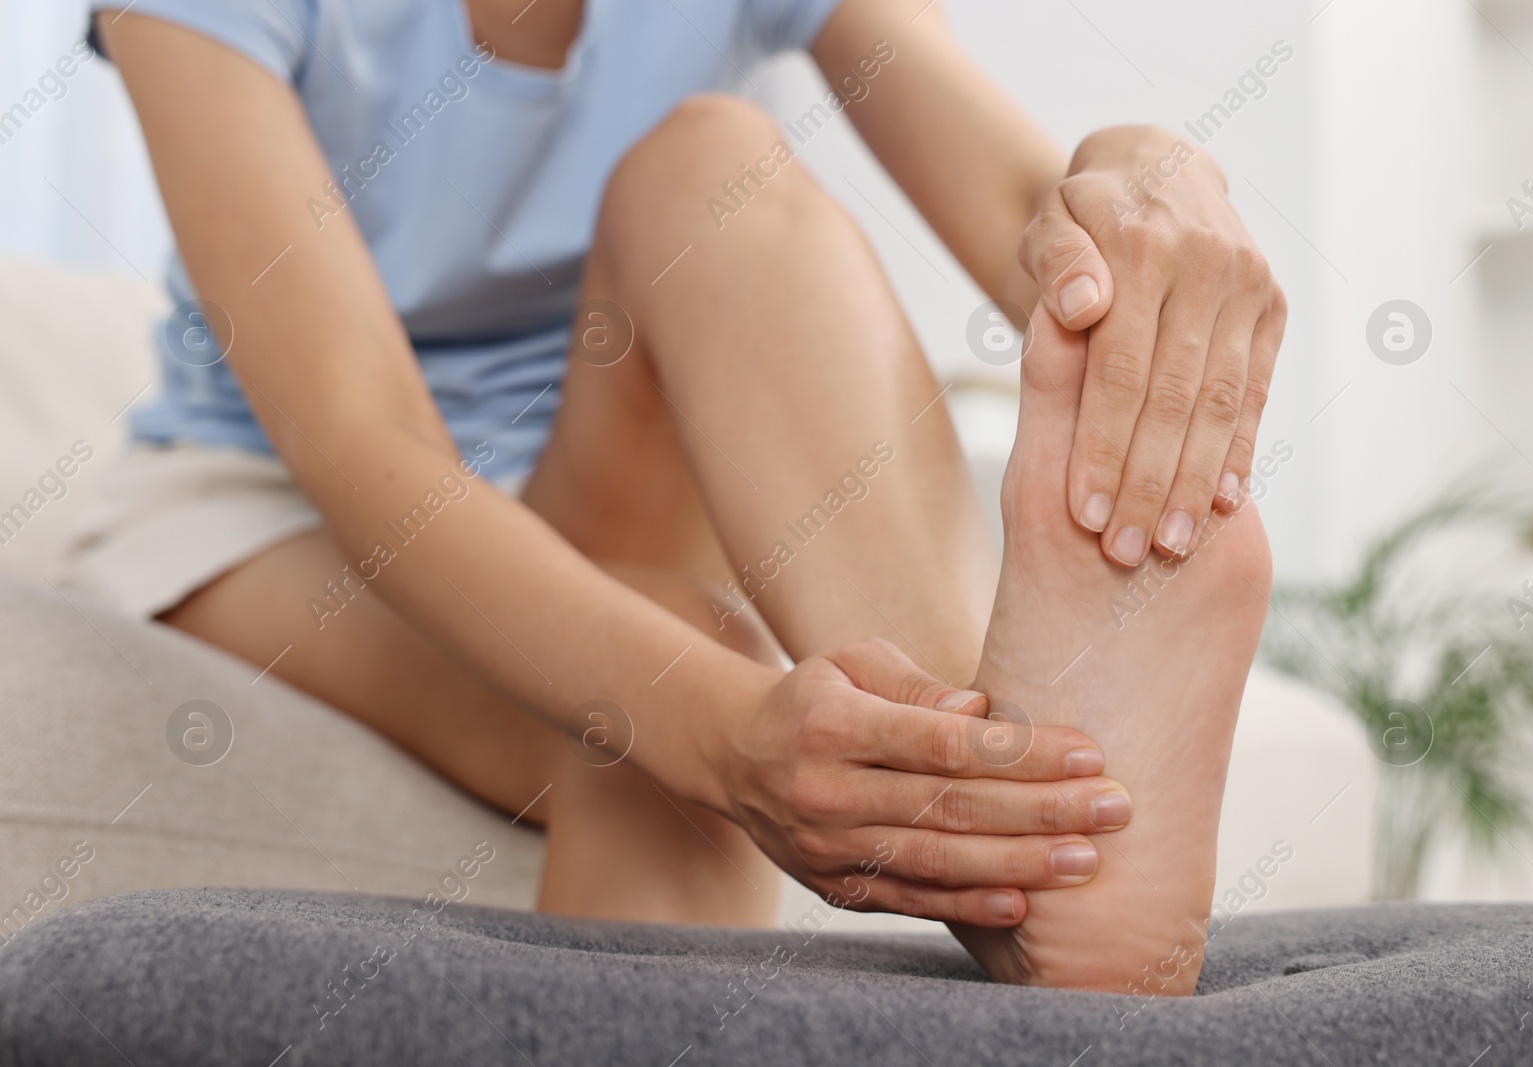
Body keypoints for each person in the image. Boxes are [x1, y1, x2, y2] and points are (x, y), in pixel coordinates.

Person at [72, 0, 1282, 992]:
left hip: (595, 449)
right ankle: (1012, 839)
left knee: (715, 162)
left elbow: (1023, 204)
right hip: (272, 494)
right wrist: (722, 732)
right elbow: (361, 441)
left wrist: (1134, 185)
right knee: (666, 700)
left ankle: (1014, 778)